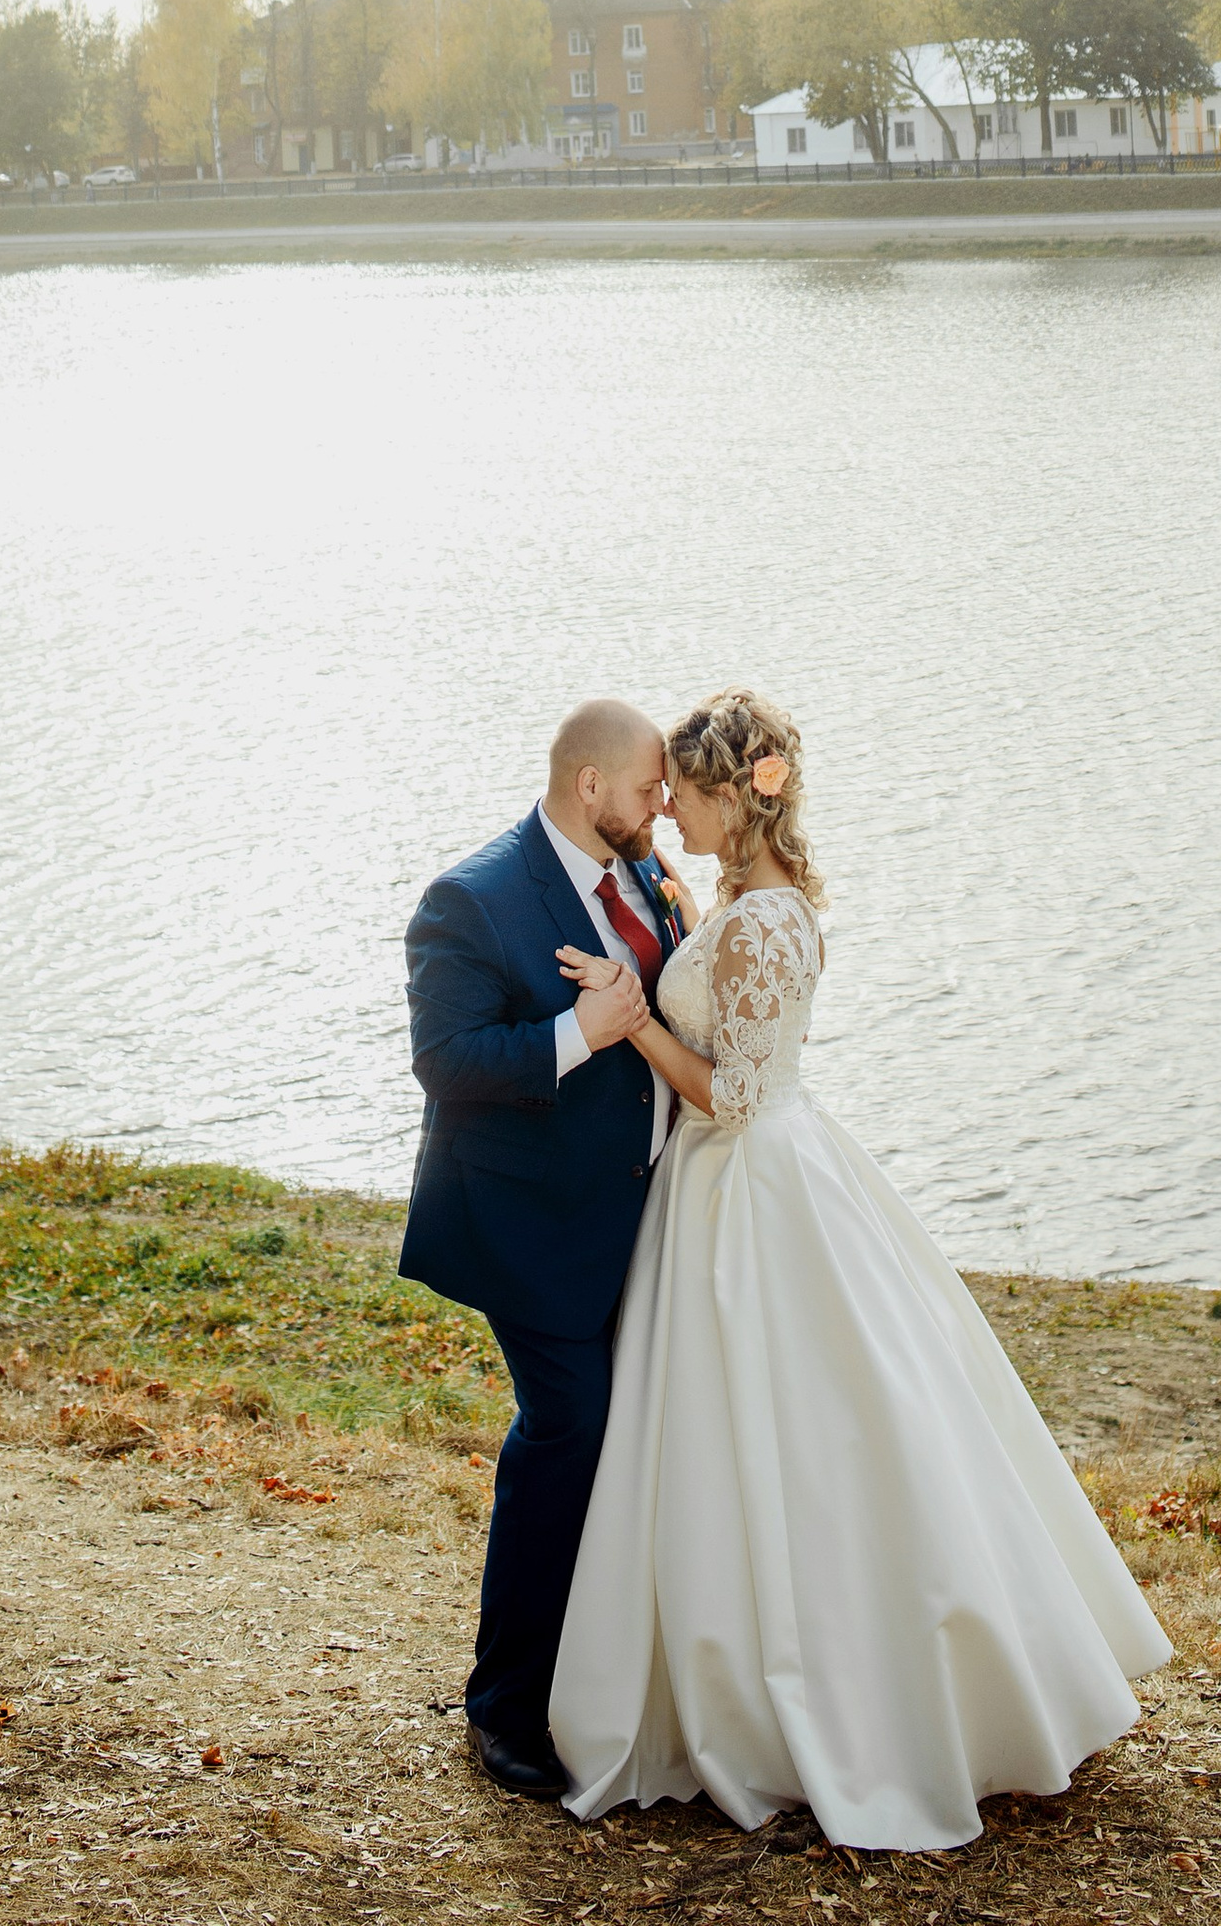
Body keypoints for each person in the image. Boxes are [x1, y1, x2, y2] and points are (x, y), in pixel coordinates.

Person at [546, 688, 1172, 1851]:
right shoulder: (733, 897)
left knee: (814, 1436)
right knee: (743, 1438)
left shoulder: (770, 920)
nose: (664, 804)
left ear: (734, 793)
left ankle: (857, 1700)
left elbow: (732, 1092)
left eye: (681, 785)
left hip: (755, 1182)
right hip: (732, 1182)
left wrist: (631, 1019)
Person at [398, 698, 695, 1800]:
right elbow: (447, 1060)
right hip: (525, 1221)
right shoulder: (470, 900)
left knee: (642, 1433)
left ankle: (607, 1679)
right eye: (649, 787)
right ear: (589, 787)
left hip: (647, 1215)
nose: (661, 804)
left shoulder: (650, 877)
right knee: (568, 1425)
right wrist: (586, 1031)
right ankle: (505, 1706)